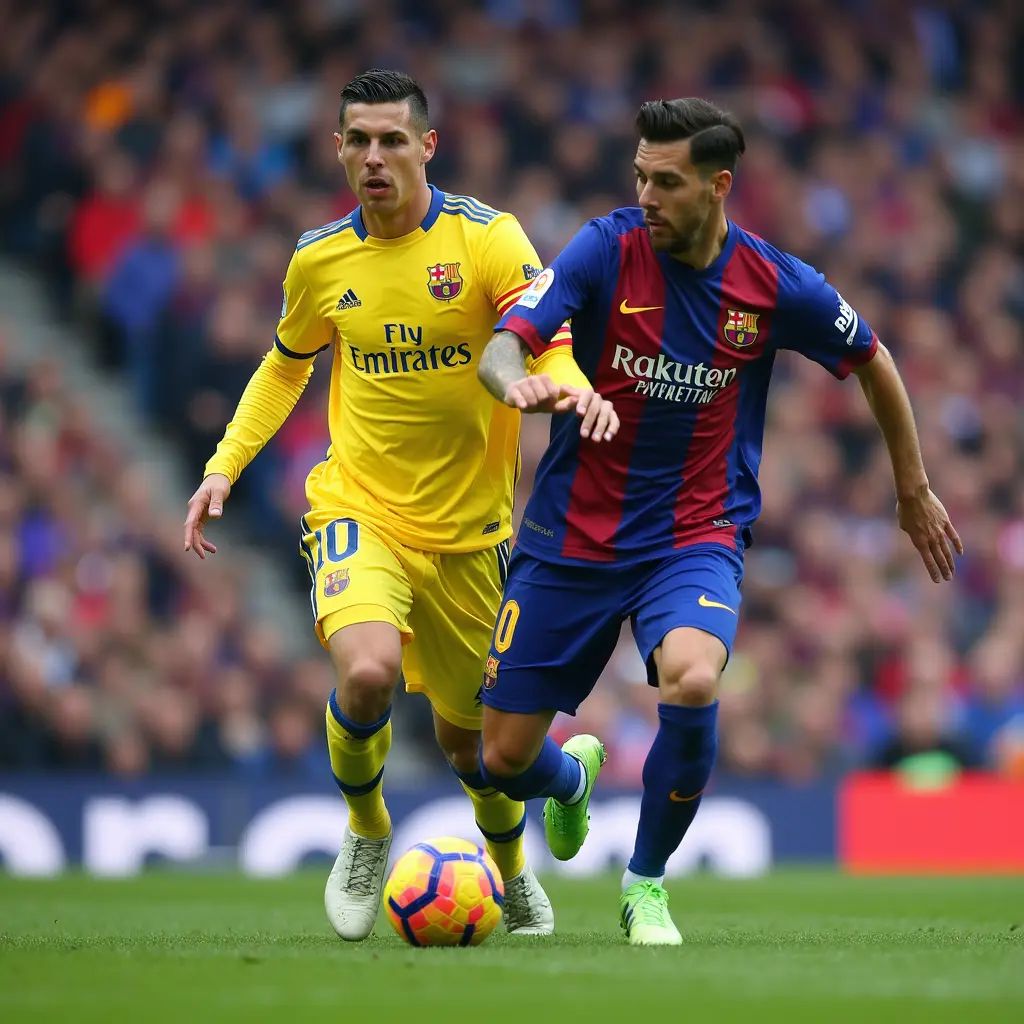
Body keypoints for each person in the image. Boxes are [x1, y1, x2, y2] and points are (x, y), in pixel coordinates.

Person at [474, 97, 963, 946]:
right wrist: (518, 383)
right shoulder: (604, 247)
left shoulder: (774, 283)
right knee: (503, 761)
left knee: (695, 680)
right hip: (570, 536)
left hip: (693, 535)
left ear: (718, 185)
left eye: (666, 182)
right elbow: (503, 345)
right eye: (640, 177)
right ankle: (572, 783)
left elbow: (874, 359)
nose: (647, 196)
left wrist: (912, 487)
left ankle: (645, 884)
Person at [183, 69, 618, 941]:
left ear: (428, 146)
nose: (374, 157)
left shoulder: (488, 240)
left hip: (470, 536)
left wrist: (568, 388)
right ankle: (367, 830)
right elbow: (286, 365)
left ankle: (514, 867)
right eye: (358, 140)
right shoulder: (320, 259)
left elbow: (549, 341)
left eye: (391, 140)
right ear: (338, 150)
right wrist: (224, 466)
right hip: (359, 508)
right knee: (368, 671)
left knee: (474, 749)